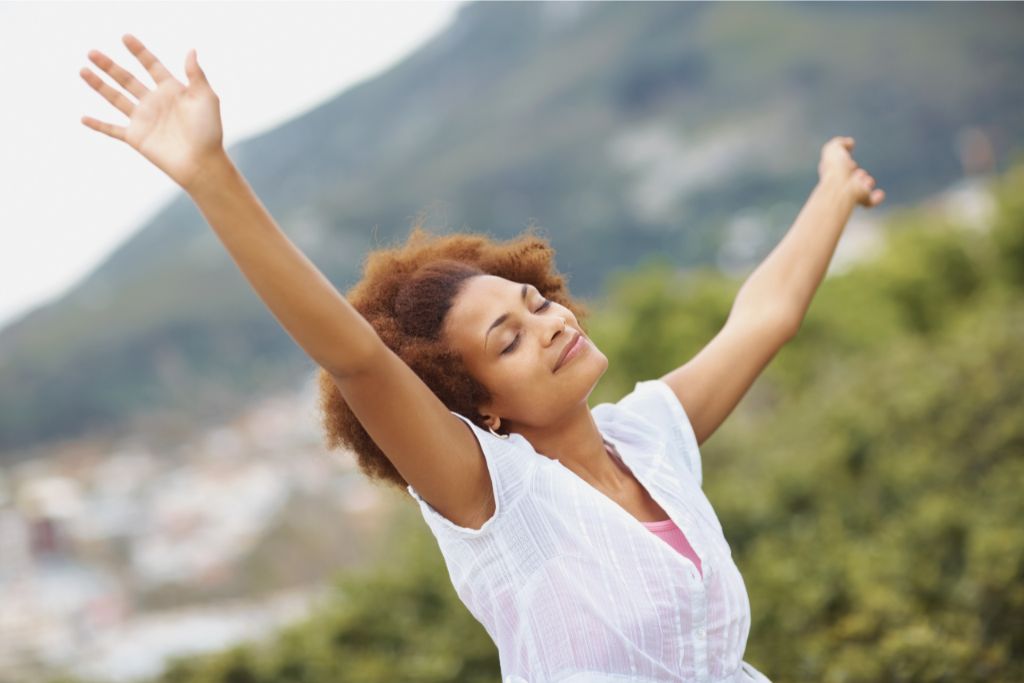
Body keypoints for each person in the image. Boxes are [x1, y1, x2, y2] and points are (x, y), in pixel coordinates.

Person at [80, 35, 885, 683]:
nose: (548, 324)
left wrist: (833, 190)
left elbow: (763, 319)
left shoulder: (645, 438)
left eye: (535, 303)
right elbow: (357, 360)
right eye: (507, 338)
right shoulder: (496, 500)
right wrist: (212, 175)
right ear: (477, 401)